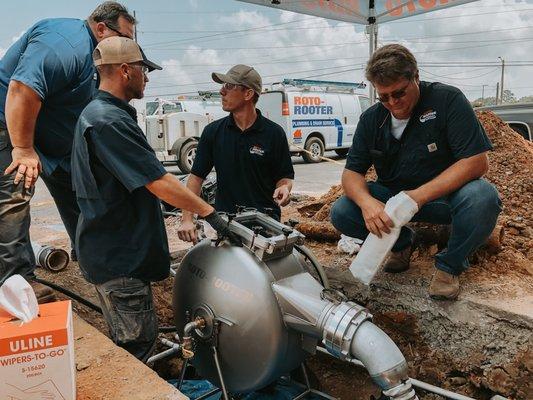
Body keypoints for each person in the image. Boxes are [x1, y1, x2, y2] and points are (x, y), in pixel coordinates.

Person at [71, 37, 238, 362]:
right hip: (120, 261)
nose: (147, 77)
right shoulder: (109, 121)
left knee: (132, 343)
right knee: (138, 353)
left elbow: (130, 183)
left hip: (109, 250)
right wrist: (208, 213)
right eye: (143, 69)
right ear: (123, 70)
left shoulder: (99, 113)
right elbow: (157, 182)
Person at [330, 44, 502, 300]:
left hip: (445, 199)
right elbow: (351, 173)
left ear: (416, 77)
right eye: (384, 97)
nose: (392, 103)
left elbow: (477, 161)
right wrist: (367, 203)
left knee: (483, 198)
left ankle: (449, 267)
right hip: (393, 199)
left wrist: (417, 196)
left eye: (399, 93)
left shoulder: (447, 101)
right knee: (343, 211)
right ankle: (401, 244)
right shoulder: (372, 119)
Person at [0, 1, 136, 300]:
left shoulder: (97, 60)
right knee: (15, 193)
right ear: (101, 28)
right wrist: (22, 149)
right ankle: (16, 282)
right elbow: (23, 88)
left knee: (81, 192)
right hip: (10, 125)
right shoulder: (66, 44)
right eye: (125, 38)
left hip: (52, 142)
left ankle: (92, 257)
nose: (129, 46)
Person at [178, 64, 294, 243]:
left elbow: (284, 176)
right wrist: (187, 219)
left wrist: (284, 188)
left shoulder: (274, 133)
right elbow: (195, 179)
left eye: (229, 86)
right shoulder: (213, 132)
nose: (222, 91)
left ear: (248, 94)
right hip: (226, 223)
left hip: (266, 223)